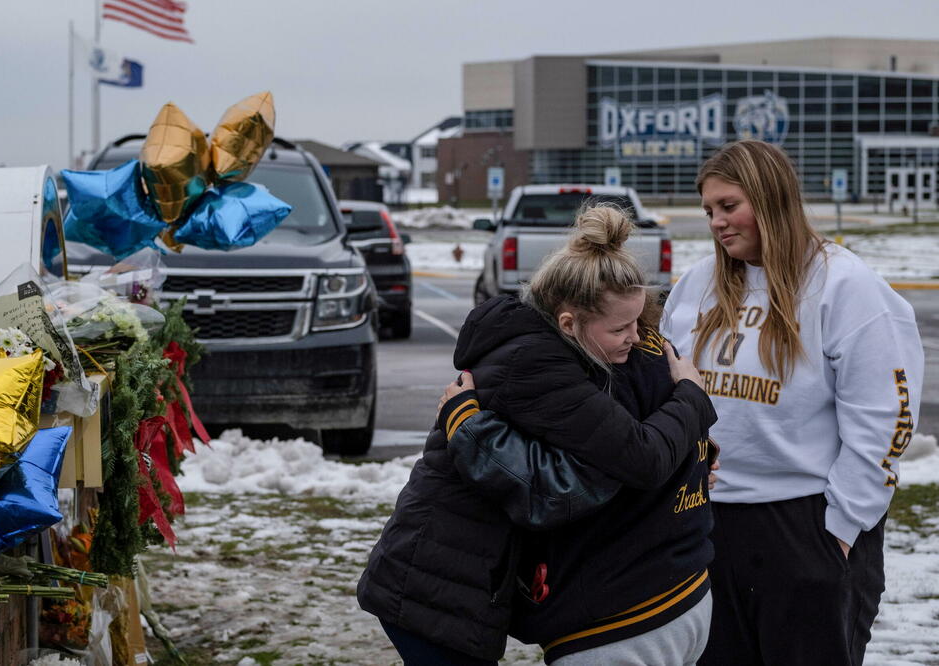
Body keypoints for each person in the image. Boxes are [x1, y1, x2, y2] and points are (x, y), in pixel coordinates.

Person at [357, 205, 718, 665]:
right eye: (620, 328)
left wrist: (692, 455)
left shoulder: (569, 353)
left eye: (637, 323)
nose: (636, 336)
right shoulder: (537, 366)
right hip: (436, 582)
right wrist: (691, 398)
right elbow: (626, 462)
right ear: (568, 323)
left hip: (462, 576)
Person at [661, 139, 925, 666]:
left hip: (806, 522)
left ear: (771, 198)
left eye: (729, 205)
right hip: (707, 521)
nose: (717, 222)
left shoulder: (845, 286)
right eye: (709, 210)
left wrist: (840, 532)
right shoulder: (696, 285)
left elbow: (884, 420)